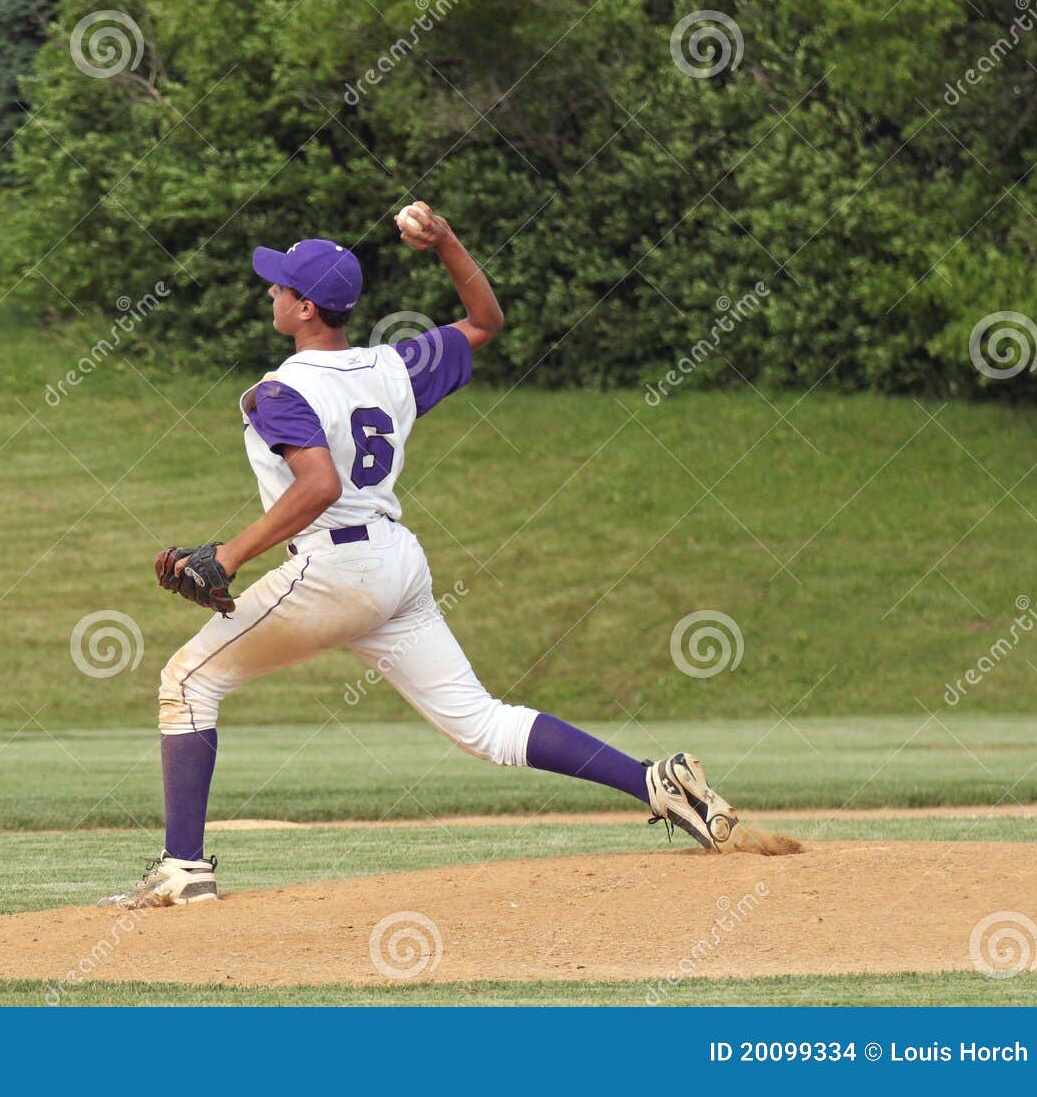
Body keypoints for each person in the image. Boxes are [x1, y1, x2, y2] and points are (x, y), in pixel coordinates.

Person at [104, 202, 738, 908]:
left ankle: (183, 868)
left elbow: (320, 483)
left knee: (187, 681)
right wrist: (445, 242)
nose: (271, 291)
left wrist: (229, 553)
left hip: (335, 570)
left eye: (281, 285)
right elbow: (487, 322)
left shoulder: (282, 390)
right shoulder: (394, 365)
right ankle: (653, 779)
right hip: (395, 563)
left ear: (306, 307)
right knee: (483, 721)